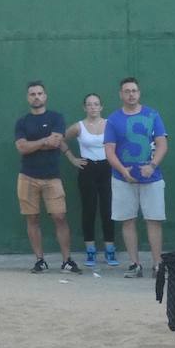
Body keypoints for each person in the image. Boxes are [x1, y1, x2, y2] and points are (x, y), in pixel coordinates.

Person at [104, 76, 168, 280]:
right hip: (123, 180)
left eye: (134, 91)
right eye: (127, 91)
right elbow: (109, 151)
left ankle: (158, 264)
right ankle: (134, 264)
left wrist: (152, 165)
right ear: (120, 94)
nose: (131, 94)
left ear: (139, 93)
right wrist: (124, 172)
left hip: (152, 179)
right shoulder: (113, 120)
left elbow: (162, 144)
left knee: (154, 220)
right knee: (128, 220)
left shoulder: (153, 115)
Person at [13, 80, 76, 275]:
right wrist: (43, 141)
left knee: (60, 217)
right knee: (32, 219)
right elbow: (21, 148)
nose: (36, 97)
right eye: (32, 94)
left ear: (45, 96)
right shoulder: (22, 122)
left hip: (52, 177)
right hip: (27, 177)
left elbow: (57, 141)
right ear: (28, 98)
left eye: (39, 93)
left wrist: (36, 144)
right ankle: (40, 260)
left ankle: (67, 261)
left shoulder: (56, 118)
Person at [64, 93, 116, 269]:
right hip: (87, 169)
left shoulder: (110, 125)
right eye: (89, 104)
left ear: (101, 107)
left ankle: (110, 249)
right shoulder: (78, 127)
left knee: (108, 209)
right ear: (84, 107)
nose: (93, 107)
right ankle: (90, 250)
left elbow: (120, 143)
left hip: (107, 169)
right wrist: (72, 158)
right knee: (89, 209)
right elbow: (61, 140)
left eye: (96, 104)